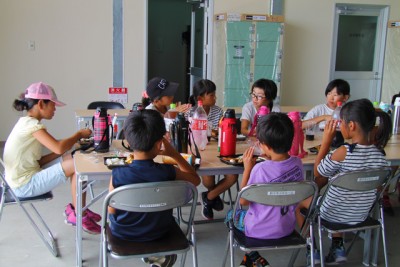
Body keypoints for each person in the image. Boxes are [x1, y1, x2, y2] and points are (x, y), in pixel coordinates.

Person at [295, 98, 392, 265]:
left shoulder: (344, 151)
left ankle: (313, 249)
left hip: (332, 213)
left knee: (299, 204)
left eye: (342, 123)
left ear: (352, 126)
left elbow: (318, 171)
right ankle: (338, 247)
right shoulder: (381, 157)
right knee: (341, 195)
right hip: (360, 215)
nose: (340, 126)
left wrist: (325, 142)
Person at [3, 82, 101, 234]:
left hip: (19, 178)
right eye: (53, 105)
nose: (55, 109)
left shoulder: (26, 123)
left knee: (73, 157)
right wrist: (78, 135)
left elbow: (42, 159)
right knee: (78, 166)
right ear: (41, 103)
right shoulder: (33, 126)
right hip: (23, 185)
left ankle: (79, 210)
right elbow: (58, 147)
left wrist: (70, 148)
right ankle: (78, 214)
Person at [107, 109, 200, 267]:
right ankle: (155, 256)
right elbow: (195, 180)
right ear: (160, 144)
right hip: (160, 232)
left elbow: (112, 211)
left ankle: (153, 256)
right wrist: (175, 155)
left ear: (128, 142)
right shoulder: (168, 171)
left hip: (123, 234)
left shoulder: (117, 174)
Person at [231, 112, 304, 267]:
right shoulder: (298, 164)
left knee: (231, 215)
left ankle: (252, 255)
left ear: (266, 146)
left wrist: (247, 169)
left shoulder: (260, 170)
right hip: (286, 228)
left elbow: (243, 201)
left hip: (258, 231)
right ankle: (249, 260)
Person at [189, 79, 239, 220]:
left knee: (232, 176)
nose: (215, 98)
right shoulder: (191, 112)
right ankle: (213, 196)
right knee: (208, 178)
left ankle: (208, 197)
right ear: (200, 98)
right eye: (211, 95)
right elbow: (191, 133)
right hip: (200, 151)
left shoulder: (217, 110)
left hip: (218, 149)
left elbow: (221, 129)